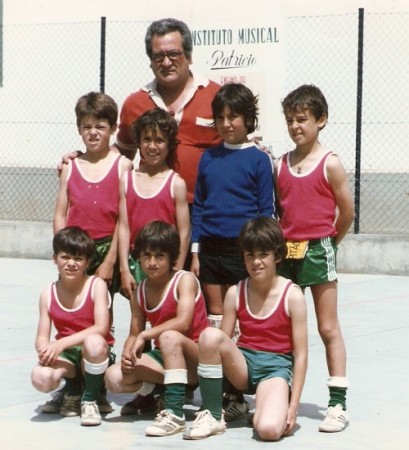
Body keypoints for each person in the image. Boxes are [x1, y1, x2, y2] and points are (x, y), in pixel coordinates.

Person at [190, 82, 275, 422]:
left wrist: (261, 256)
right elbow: (199, 207)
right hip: (210, 248)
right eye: (221, 117)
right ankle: (217, 394)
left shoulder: (259, 159)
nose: (227, 124)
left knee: (237, 320)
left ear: (248, 119)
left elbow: (266, 211)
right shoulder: (208, 158)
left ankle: (237, 394)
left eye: (234, 116)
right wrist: (196, 251)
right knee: (215, 320)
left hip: (243, 252)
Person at [274, 84, 355, 433]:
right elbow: (280, 211)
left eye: (302, 119)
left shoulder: (329, 162)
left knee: (327, 327)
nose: (295, 126)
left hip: (319, 249)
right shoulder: (280, 164)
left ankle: (337, 403)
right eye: (290, 120)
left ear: (321, 120)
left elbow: (347, 213)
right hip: (286, 252)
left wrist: (329, 244)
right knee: (284, 328)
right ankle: (281, 394)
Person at [183, 217, 308, 441]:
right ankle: (213, 415)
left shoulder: (292, 295)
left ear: (277, 256)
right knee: (210, 336)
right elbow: (221, 343)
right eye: (250, 255)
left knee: (269, 430)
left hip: (274, 369)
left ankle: (267, 407)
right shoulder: (235, 292)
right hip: (242, 367)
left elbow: (301, 355)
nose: (256, 262)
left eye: (263, 254)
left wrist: (293, 407)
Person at [47, 91, 132, 415]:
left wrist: (110, 262)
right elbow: (60, 213)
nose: (93, 132)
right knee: (74, 316)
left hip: (106, 249)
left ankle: (95, 390)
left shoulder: (123, 165)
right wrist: (63, 250)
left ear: (113, 128)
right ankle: (72, 385)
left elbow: (123, 219)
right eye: (87, 126)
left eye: (100, 126)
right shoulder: (71, 166)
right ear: (79, 129)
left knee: (101, 321)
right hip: (75, 251)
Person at [105, 221, 208, 436]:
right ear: (139, 257)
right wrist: (127, 355)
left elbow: (183, 322)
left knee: (170, 336)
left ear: (172, 257)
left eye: (160, 256)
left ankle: (175, 413)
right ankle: (155, 393)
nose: (152, 262)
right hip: (167, 357)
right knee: (114, 377)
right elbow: (134, 333)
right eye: (147, 255)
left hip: (197, 358)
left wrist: (146, 334)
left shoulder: (184, 279)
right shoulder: (139, 292)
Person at [115, 17, 221, 204]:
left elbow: (238, 145)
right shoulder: (135, 103)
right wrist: (84, 159)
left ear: (189, 56)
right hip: (151, 206)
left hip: (207, 207)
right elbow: (121, 153)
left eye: (173, 54)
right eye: (158, 56)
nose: (166, 63)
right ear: (150, 61)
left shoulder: (217, 97)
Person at [31, 226, 115, 427]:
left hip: (95, 353)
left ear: (87, 262)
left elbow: (101, 328)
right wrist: (45, 349)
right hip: (68, 355)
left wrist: (60, 344)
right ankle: (73, 390)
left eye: (78, 259)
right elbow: (42, 336)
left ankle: (90, 399)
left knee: (94, 342)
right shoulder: (48, 294)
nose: (71, 263)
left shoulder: (96, 285)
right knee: (40, 377)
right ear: (54, 259)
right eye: (65, 257)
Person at [118, 107, 190, 298]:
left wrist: (176, 271)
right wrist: (124, 269)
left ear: (169, 144)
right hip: (137, 264)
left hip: (166, 267)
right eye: (147, 139)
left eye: (159, 140)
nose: (152, 146)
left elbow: (184, 233)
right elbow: (124, 227)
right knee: (138, 312)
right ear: (139, 143)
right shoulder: (127, 180)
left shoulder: (176, 183)